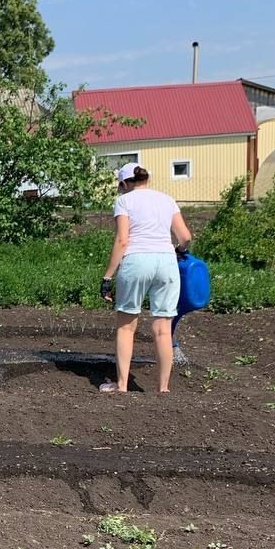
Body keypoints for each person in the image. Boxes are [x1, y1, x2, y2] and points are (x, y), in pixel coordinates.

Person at [99, 163, 193, 394]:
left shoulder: (124, 201)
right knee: (162, 328)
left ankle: (121, 385)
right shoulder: (167, 199)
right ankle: (163, 388)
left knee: (126, 327)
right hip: (166, 262)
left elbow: (122, 240)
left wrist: (107, 277)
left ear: (124, 183)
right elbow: (185, 237)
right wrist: (177, 250)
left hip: (137, 260)